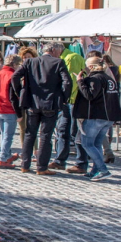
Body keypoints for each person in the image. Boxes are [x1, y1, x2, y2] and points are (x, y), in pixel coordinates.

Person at [10, 41, 73, 175]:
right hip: (50, 103)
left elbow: (15, 76)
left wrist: (21, 92)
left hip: (33, 102)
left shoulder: (30, 62)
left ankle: (25, 164)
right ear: (54, 51)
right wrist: (64, 98)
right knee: (45, 135)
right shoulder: (58, 63)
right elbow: (67, 82)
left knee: (30, 133)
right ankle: (41, 167)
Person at [74, 56, 121, 180]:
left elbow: (89, 95)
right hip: (108, 117)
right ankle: (95, 170)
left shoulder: (94, 79)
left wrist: (80, 81)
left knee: (87, 144)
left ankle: (103, 170)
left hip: (96, 116)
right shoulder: (109, 79)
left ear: (90, 67)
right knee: (96, 144)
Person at [50, 43, 86, 172]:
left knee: (77, 133)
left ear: (56, 50)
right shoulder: (64, 59)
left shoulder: (71, 58)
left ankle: (81, 163)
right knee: (63, 130)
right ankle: (60, 160)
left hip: (74, 101)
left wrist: (65, 98)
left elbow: (71, 81)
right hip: (68, 101)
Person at [0, 54, 22, 168]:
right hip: (8, 109)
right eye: (18, 65)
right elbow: (14, 97)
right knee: (8, 136)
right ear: (14, 64)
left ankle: (7, 155)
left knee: (4, 135)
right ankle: (3, 158)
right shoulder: (12, 75)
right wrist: (19, 113)